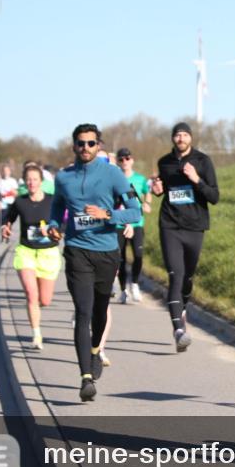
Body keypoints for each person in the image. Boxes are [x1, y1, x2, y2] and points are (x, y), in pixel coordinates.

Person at [46, 124, 140, 402]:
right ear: (73, 145)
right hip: (77, 251)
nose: (85, 148)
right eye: (80, 143)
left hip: (107, 252)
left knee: (100, 310)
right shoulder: (64, 177)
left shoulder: (113, 174)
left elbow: (133, 211)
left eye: (90, 143)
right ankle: (85, 377)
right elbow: (57, 207)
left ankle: (96, 350)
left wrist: (108, 214)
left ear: (99, 145)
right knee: (83, 312)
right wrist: (54, 225)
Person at [150, 122, 219, 351]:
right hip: (170, 225)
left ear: (190, 138)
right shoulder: (164, 163)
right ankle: (179, 329)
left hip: (195, 227)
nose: (180, 138)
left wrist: (196, 179)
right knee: (175, 276)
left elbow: (214, 196)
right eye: (177, 135)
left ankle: (183, 308)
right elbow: (162, 190)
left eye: (184, 134)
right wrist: (157, 190)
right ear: (172, 138)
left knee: (188, 278)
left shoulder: (202, 161)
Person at [2, 164, 60, 350]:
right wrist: (6, 226)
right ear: (24, 182)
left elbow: (63, 223)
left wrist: (55, 231)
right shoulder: (20, 202)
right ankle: (36, 334)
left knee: (44, 300)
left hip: (48, 253)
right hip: (26, 251)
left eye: (35, 179)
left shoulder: (52, 201)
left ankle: (36, 311)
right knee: (31, 294)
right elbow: (8, 217)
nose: (32, 183)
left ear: (41, 182)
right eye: (28, 180)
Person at [115, 147, 152, 303]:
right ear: (118, 161)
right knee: (120, 258)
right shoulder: (115, 179)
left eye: (127, 158)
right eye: (121, 159)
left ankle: (135, 284)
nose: (125, 162)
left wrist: (147, 203)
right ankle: (123, 290)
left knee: (138, 255)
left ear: (132, 160)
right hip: (119, 224)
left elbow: (147, 192)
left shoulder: (140, 179)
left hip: (137, 223)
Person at [0, 164, 19, 256]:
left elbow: (16, 192)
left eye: (7, 170)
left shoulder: (13, 181)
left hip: (11, 202)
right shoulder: (0, 182)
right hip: (2, 203)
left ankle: (7, 233)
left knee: (9, 220)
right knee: (2, 220)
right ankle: (3, 235)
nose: (5, 172)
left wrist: (9, 194)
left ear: (9, 171)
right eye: (4, 170)